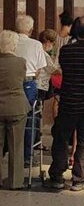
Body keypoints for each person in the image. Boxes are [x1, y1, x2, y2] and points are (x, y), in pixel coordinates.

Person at [48, 15, 84, 191]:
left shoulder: (67, 51)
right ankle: (79, 179)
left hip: (69, 102)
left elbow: (62, 69)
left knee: (61, 138)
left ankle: (57, 177)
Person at [14, 15, 47, 167]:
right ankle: (26, 156)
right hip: (28, 83)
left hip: (10, 83)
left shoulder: (9, 42)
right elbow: (39, 69)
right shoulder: (36, 45)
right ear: (31, 30)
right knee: (30, 119)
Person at [0, 30, 30, 189]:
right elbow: (23, 80)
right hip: (17, 107)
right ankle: (15, 182)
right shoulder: (21, 62)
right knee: (16, 146)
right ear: (14, 45)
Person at [37, 29, 61, 101]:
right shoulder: (44, 55)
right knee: (39, 107)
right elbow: (53, 70)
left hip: (36, 84)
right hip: (40, 85)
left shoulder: (37, 51)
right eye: (53, 43)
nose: (53, 46)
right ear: (48, 42)